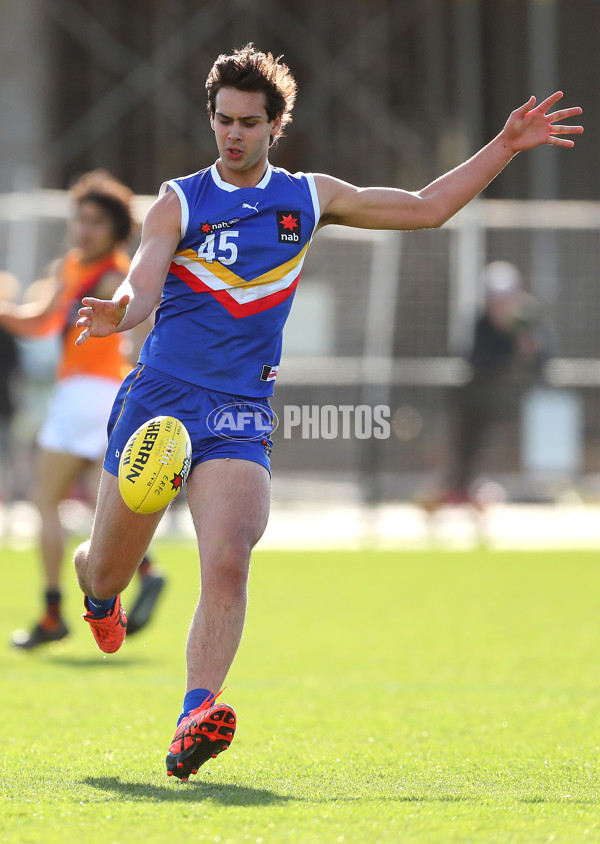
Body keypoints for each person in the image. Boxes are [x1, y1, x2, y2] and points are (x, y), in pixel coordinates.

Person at [72, 44, 582, 781]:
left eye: (250, 122)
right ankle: (96, 596)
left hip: (239, 412)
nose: (234, 135)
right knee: (109, 569)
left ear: (277, 124)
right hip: (159, 402)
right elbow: (144, 280)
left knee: (228, 556)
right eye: (223, 121)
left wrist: (503, 144)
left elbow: (427, 208)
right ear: (211, 120)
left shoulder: (309, 197)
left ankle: (196, 711)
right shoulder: (178, 200)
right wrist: (122, 311)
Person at [0, 170, 165, 649]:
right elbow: (39, 321)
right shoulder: (73, 266)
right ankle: (147, 569)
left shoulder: (115, 272)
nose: (84, 229)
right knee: (104, 500)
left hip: (88, 395)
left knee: (46, 501)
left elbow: (139, 326)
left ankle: (53, 613)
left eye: (95, 221)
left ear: (115, 229)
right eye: (80, 219)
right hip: (99, 397)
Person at [421, 261, 549, 514]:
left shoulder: (529, 322)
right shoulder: (480, 325)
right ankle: (461, 496)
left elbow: (544, 361)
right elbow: (477, 362)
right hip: (482, 405)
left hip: (520, 406)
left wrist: (526, 341)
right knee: (468, 457)